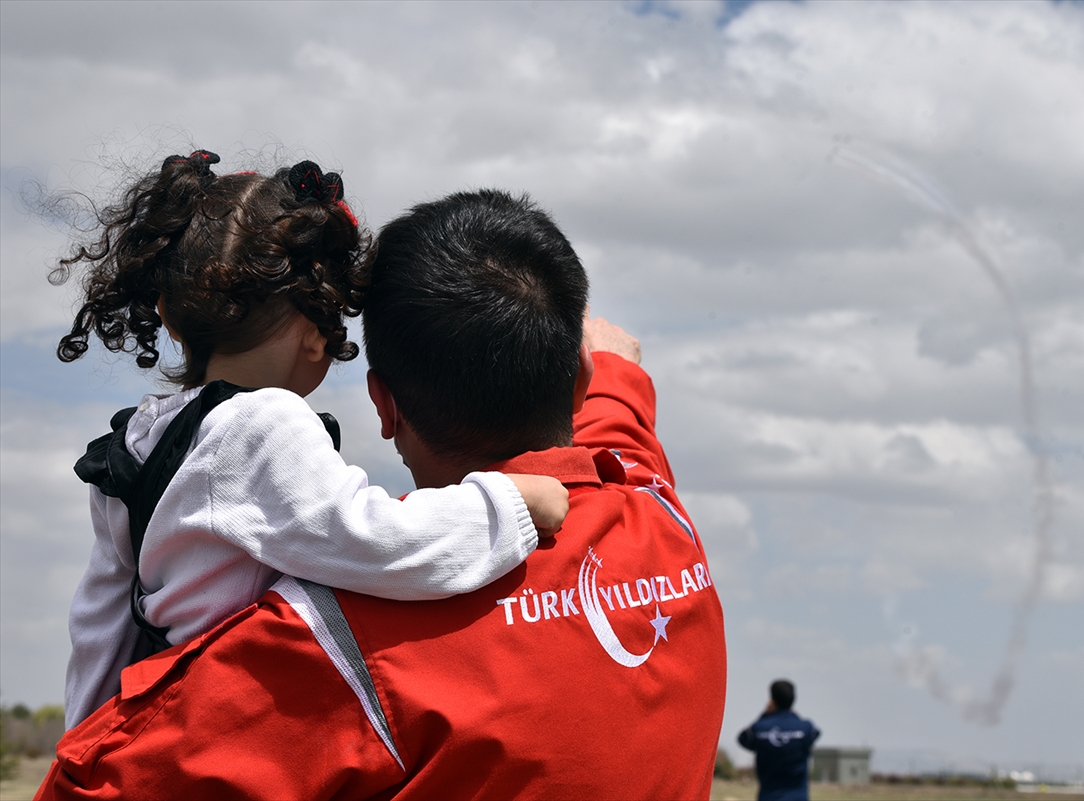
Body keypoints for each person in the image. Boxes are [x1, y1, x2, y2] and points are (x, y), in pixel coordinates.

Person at [36, 188, 728, 800]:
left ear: (383, 406)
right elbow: (618, 432)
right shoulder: (653, 504)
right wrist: (612, 374)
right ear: (579, 381)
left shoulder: (337, 640)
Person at [52, 152, 568, 728]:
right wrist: (508, 507)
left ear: (170, 315)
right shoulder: (263, 424)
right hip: (246, 719)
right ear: (317, 338)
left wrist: (86, 747)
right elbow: (378, 544)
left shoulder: (139, 442)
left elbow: (99, 623)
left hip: (173, 724)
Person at [737, 680, 822, 801]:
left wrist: (765, 714)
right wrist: (792, 714)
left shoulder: (759, 729)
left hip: (768, 796)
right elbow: (815, 734)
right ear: (794, 699)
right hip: (798, 796)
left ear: (772, 700)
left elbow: (743, 738)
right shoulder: (805, 728)